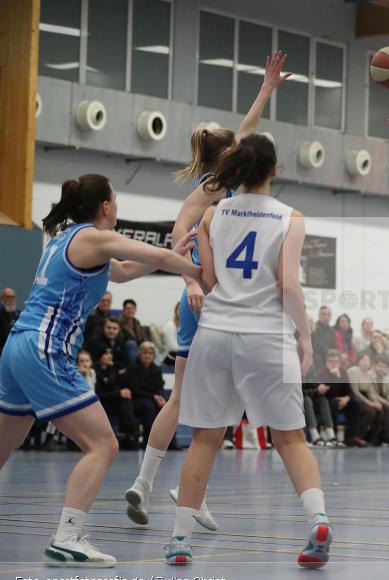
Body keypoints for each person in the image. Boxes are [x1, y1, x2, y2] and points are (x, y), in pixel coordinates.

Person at [124, 50, 289, 532]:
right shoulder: (219, 184)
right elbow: (180, 229)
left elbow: (247, 127)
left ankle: (148, 482)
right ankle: (185, 493)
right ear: (229, 154)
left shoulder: (231, 181)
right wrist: (191, 278)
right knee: (227, 400)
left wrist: (266, 89)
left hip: (210, 299)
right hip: (216, 299)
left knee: (190, 399)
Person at [0, 173, 201, 567]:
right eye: (116, 203)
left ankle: (68, 536)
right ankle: (67, 537)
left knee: (7, 439)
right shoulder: (92, 236)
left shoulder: (65, 240)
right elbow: (156, 256)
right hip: (45, 348)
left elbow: (124, 270)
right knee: (103, 445)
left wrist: (175, 251)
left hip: (17, 346)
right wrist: (196, 273)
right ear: (105, 207)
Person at [165, 133, 333, 567]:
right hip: (267, 336)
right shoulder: (291, 217)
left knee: (205, 439)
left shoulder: (213, 214)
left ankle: (181, 539)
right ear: (275, 170)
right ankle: (317, 519)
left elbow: (208, 280)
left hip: (216, 331)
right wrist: (306, 336)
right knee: (291, 439)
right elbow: (289, 285)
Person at [317, 349, 374, 448]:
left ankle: (351, 436)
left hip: (343, 400)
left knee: (356, 404)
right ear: (326, 362)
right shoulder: (321, 372)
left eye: (336, 361)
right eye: (331, 361)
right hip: (327, 400)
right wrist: (334, 376)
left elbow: (350, 392)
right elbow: (329, 392)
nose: (334, 364)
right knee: (334, 403)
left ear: (339, 362)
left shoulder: (343, 372)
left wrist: (346, 398)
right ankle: (333, 436)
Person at [120, 342, 168, 450]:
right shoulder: (132, 368)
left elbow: (159, 387)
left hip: (152, 398)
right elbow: (135, 390)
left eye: (150, 353)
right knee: (149, 406)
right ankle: (147, 441)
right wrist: (154, 396)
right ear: (140, 354)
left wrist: (161, 397)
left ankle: (168, 442)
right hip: (135, 399)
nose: (147, 355)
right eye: (145, 353)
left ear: (153, 356)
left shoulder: (156, 369)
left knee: (167, 406)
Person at [95, 348, 139, 449]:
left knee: (126, 401)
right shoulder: (94, 370)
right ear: (100, 356)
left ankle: (129, 436)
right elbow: (99, 393)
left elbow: (117, 386)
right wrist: (118, 393)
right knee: (122, 401)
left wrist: (121, 392)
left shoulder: (113, 369)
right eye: (106, 354)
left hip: (112, 400)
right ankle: (128, 435)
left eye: (110, 354)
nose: (109, 356)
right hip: (100, 402)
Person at [347, 354, 386, 445]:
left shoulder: (368, 375)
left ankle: (372, 437)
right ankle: (356, 437)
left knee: (380, 410)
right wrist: (370, 403)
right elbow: (355, 391)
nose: (366, 363)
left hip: (364, 398)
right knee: (370, 411)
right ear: (359, 361)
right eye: (363, 360)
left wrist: (376, 402)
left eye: (368, 361)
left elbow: (371, 392)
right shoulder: (353, 371)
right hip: (354, 398)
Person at [311, 306, 337, 370]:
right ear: (319, 315)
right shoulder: (314, 327)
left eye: (328, 314)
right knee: (318, 358)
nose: (326, 317)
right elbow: (317, 347)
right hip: (316, 357)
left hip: (328, 357)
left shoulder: (332, 330)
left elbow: (333, 347)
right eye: (323, 314)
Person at [0, 288, 20, 354]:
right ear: (2, 299)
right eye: (8, 297)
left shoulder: (19, 315)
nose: (10, 300)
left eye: (12, 297)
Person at [161, 302, 180, 366]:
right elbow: (172, 347)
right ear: (176, 311)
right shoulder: (170, 325)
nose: (182, 312)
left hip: (182, 355)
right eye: (180, 310)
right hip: (170, 356)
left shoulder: (188, 326)